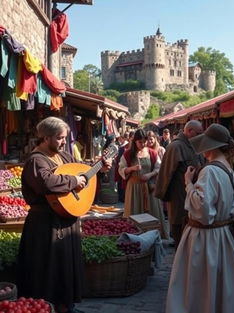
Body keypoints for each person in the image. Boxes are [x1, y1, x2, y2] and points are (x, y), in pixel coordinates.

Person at [17, 116, 111, 313]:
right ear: (45, 137)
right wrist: (73, 181)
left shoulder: (64, 156)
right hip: (44, 225)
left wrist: (99, 169)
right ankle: (44, 306)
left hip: (66, 220)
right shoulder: (36, 160)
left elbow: (83, 173)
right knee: (46, 269)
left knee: (66, 267)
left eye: (64, 138)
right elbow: (47, 182)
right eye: (59, 138)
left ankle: (65, 305)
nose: (63, 142)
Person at [165, 123, 234, 313]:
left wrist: (188, 183)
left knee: (202, 289)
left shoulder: (209, 171)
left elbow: (203, 212)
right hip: (224, 237)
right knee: (221, 287)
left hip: (207, 239)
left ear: (212, 146)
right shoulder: (227, 168)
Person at [155, 120, 205, 249]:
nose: (201, 135)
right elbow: (165, 174)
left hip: (192, 198)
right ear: (189, 131)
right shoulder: (175, 147)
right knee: (181, 237)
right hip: (179, 199)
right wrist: (164, 197)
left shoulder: (194, 145)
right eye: (198, 133)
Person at [118, 128, 168, 238]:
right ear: (135, 141)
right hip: (134, 188)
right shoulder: (127, 154)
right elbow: (121, 169)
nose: (143, 144)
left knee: (152, 212)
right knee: (134, 212)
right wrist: (132, 168)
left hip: (149, 187)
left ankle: (153, 237)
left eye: (144, 141)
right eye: (140, 142)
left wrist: (149, 175)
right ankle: (133, 238)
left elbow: (159, 168)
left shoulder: (152, 153)